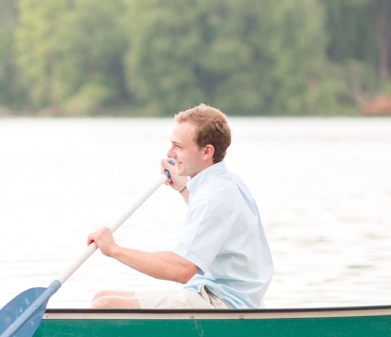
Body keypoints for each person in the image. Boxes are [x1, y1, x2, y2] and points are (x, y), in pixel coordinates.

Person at [89, 104, 272, 309]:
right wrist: (183, 189)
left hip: (224, 303)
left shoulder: (212, 198)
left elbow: (181, 270)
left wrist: (113, 249)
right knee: (101, 296)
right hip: (212, 292)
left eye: (179, 147)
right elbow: (212, 224)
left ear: (206, 151)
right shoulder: (227, 182)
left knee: (105, 305)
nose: (170, 153)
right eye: (171, 144)